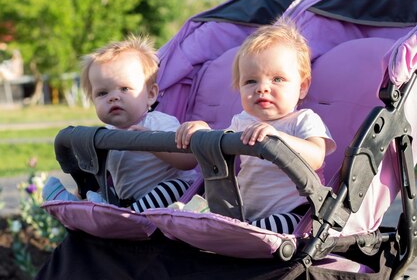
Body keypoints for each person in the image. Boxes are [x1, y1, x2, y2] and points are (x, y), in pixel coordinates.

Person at [175, 20, 336, 233]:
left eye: (277, 79)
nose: (262, 89)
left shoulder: (303, 119)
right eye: (251, 81)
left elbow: (316, 155)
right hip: (246, 211)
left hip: (295, 212)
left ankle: (238, 232)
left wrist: (276, 139)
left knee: (282, 225)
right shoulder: (242, 121)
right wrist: (202, 132)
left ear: (302, 87)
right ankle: (216, 226)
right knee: (209, 215)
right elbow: (221, 147)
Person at [43, 35, 196, 211]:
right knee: (102, 190)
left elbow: (189, 160)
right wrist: (86, 188)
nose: (113, 97)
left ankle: (121, 216)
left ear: (151, 94)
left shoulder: (160, 123)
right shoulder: (106, 136)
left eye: (124, 89)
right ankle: (76, 205)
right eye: (102, 93)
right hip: (131, 200)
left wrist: (151, 142)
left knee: (175, 187)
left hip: (177, 200)